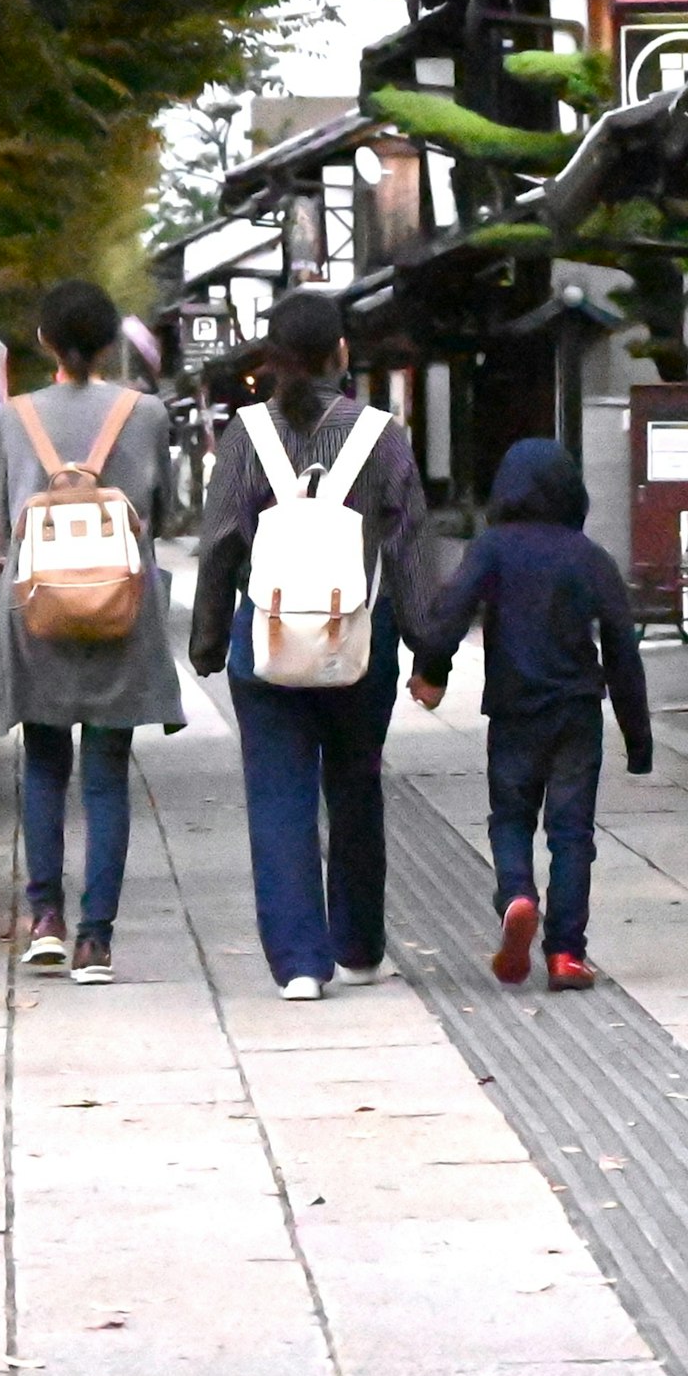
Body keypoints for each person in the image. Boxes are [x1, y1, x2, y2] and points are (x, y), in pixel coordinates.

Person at [188, 291, 436, 1000]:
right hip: (357, 632)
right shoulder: (381, 435)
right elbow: (411, 546)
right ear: (341, 354)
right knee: (356, 785)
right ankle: (358, 947)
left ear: (271, 359)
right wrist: (430, 647)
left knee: (277, 793)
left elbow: (220, 544)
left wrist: (208, 639)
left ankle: (299, 962)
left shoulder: (244, 435)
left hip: (265, 632)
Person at [0, 279, 184, 988]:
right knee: (106, 777)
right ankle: (96, 941)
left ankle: (45, 919)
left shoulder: (14, 418)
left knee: (43, 765)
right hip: (119, 609)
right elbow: (161, 509)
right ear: (109, 344)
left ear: (44, 341)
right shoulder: (149, 414)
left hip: (38, 610)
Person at [408, 437, 651, 992]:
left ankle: (517, 896)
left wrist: (432, 672)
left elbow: (451, 612)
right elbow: (621, 648)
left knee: (511, 818)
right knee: (571, 834)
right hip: (577, 716)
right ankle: (566, 954)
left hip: (514, 712)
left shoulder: (493, 548)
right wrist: (638, 741)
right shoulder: (590, 557)